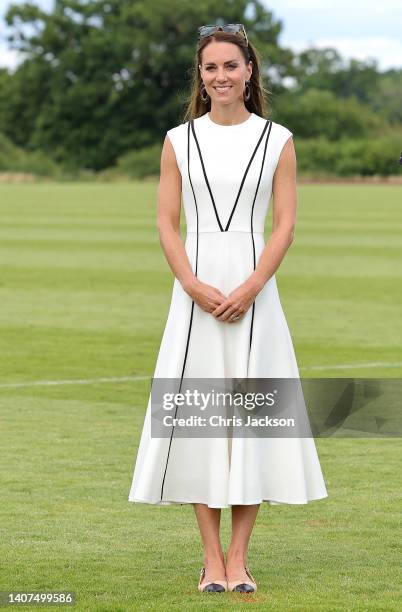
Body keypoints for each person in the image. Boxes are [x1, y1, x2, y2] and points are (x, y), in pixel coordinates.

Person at [128, 23, 328, 594]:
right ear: (201, 75)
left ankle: (238, 559)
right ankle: (210, 561)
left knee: (252, 426)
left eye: (230, 67)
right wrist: (190, 282)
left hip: (255, 298)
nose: (220, 76)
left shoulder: (278, 139)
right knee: (198, 425)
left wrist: (251, 287)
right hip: (192, 300)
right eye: (210, 67)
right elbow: (167, 221)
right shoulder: (177, 140)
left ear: (248, 73)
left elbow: (285, 225)